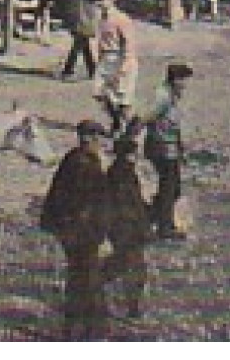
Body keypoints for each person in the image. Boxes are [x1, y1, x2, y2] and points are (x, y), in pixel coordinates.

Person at [40, 119, 110, 340]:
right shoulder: (85, 164)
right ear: (87, 138)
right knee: (88, 279)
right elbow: (89, 202)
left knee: (79, 278)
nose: (97, 142)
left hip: (70, 229)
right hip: (80, 230)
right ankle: (88, 329)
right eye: (94, 137)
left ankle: (75, 327)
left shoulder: (73, 158)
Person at [102, 133, 152, 320]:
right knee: (133, 268)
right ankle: (133, 309)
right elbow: (126, 205)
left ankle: (92, 288)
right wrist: (141, 224)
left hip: (125, 228)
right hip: (127, 229)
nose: (136, 157)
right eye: (133, 153)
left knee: (124, 265)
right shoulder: (123, 174)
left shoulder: (121, 172)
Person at [144, 62, 192, 240]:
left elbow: (174, 126)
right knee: (169, 188)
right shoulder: (162, 96)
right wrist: (128, 138)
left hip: (170, 148)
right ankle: (165, 227)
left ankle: (155, 216)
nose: (186, 85)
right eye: (184, 80)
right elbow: (145, 117)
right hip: (160, 147)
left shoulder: (172, 95)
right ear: (176, 80)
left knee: (174, 188)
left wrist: (181, 149)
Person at [95, 0, 139, 136]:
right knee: (101, 93)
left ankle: (130, 126)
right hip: (106, 59)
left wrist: (124, 65)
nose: (101, 2)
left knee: (122, 97)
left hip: (120, 58)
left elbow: (129, 44)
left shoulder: (122, 19)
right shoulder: (101, 18)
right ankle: (116, 122)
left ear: (112, 0)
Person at [56, 0, 98, 80]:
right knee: (79, 44)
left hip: (71, 16)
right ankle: (68, 70)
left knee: (83, 43)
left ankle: (92, 70)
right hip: (84, 16)